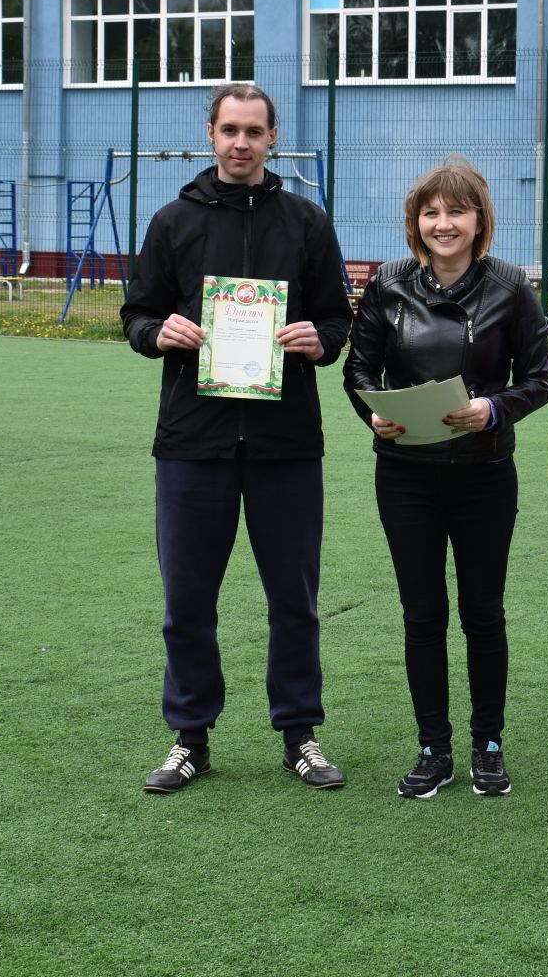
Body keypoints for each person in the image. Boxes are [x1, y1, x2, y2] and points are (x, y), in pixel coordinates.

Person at [122, 83, 355, 794]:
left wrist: (321, 339)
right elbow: (136, 315)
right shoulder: (172, 222)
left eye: (254, 130)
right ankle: (190, 738)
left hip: (286, 445)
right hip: (193, 444)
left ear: (273, 138)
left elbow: (338, 322)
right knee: (188, 600)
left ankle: (300, 734)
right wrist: (156, 332)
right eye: (229, 129)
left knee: (295, 599)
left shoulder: (306, 223)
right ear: (211, 133)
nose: (241, 143)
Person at [344, 159, 548, 799]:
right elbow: (359, 371)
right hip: (406, 477)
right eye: (431, 212)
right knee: (422, 613)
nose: (444, 224)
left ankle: (488, 743)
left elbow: (538, 380)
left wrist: (492, 410)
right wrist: (373, 413)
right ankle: (433, 748)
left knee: (483, 613)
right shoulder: (388, 285)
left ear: (479, 220)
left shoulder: (511, 287)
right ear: (416, 222)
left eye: (457, 211)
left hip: (485, 474)